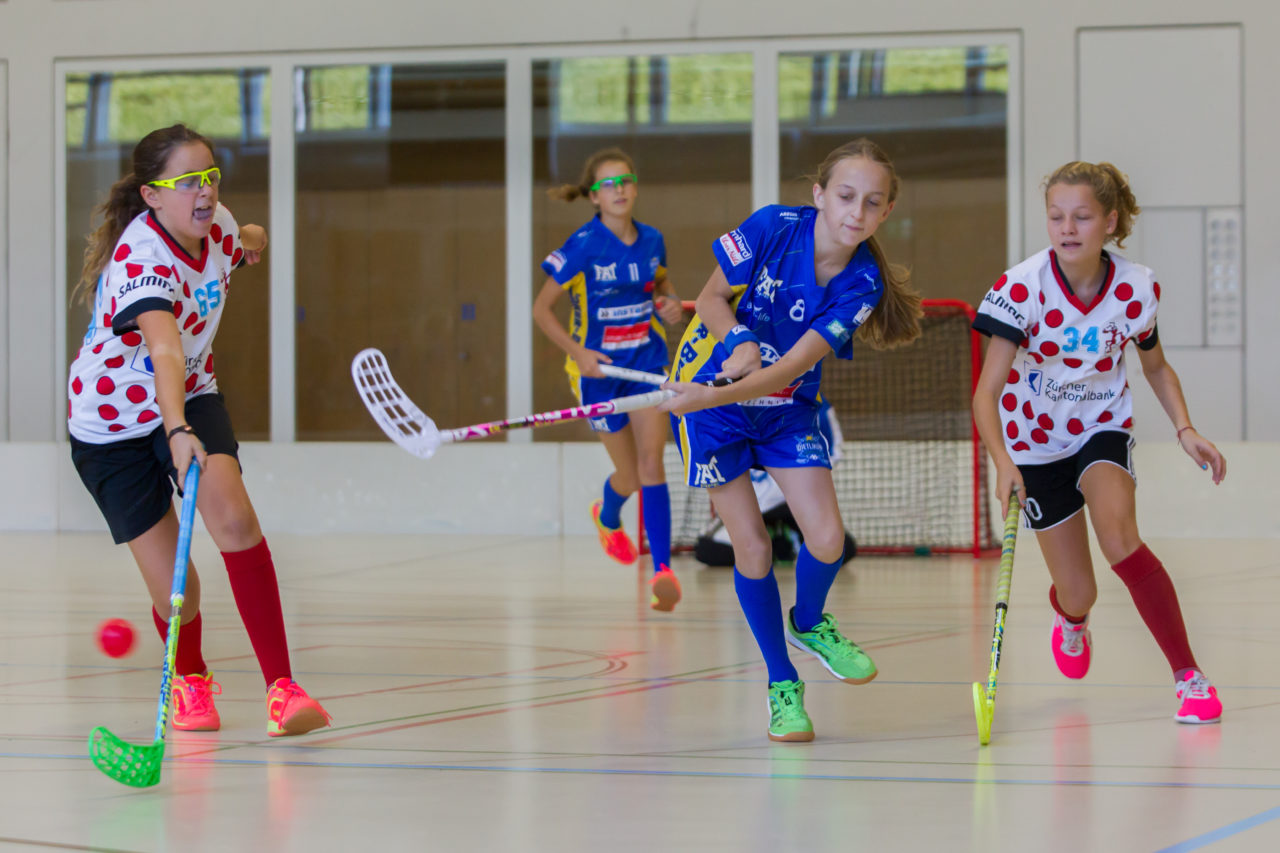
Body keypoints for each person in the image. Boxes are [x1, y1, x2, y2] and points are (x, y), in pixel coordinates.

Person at [67, 124, 331, 737]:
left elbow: (236, 244)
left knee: (235, 520)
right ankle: (190, 677)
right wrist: (177, 428)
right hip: (110, 423)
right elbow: (162, 347)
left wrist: (252, 238)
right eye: (188, 181)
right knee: (177, 590)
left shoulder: (214, 222)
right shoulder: (141, 257)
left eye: (211, 176)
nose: (205, 190)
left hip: (191, 390)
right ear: (153, 196)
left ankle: (283, 690)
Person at [660, 139, 922, 741]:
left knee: (827, 538)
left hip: (782, 407)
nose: (856, 212)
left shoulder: (863, 281)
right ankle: (783, 685)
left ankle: (809, 621)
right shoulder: (773, 225)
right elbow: (708, 298)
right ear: (819, 196)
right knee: (751, 550)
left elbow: (791, 367)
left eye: (871, 203)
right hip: (714, 410)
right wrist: (736, 341)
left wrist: (722, 386)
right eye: (845, 196)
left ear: (885, 214)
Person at [972, 160, 1227, 724]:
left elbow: (1156, 369)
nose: (1067, 227)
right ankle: (1071, 617)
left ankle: (1189, 676)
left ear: (1110, 221)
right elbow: (985, 394)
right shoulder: (1020, 289)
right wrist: (1002, 462)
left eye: (1082, 216)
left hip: (1099, 427)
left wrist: (1185, 429)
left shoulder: (1136, 289)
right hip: (1034, 446)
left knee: (1120, 535)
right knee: (1080, 591)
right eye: (1057, 216)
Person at [533, 148, 685, 611]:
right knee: (629, 475)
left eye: (625, 181)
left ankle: (662, 570)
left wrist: (671, 303)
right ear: (595, 197)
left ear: (635, 188)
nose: (618, 190)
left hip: (646, 366)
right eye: (607, 185)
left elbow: (660, 284)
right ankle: (608, 514)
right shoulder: (582, 245)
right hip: (598, 376)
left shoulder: (653, 239)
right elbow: (541, 310)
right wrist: (579, 353)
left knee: (652, 465)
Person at [693, 399, 856, 568]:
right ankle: (777, 543)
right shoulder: (731, 408)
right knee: (709, 549)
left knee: (837, 546)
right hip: (753, 498)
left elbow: (832, 453)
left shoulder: (811, 403)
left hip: (794, 495)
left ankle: (789, 540)